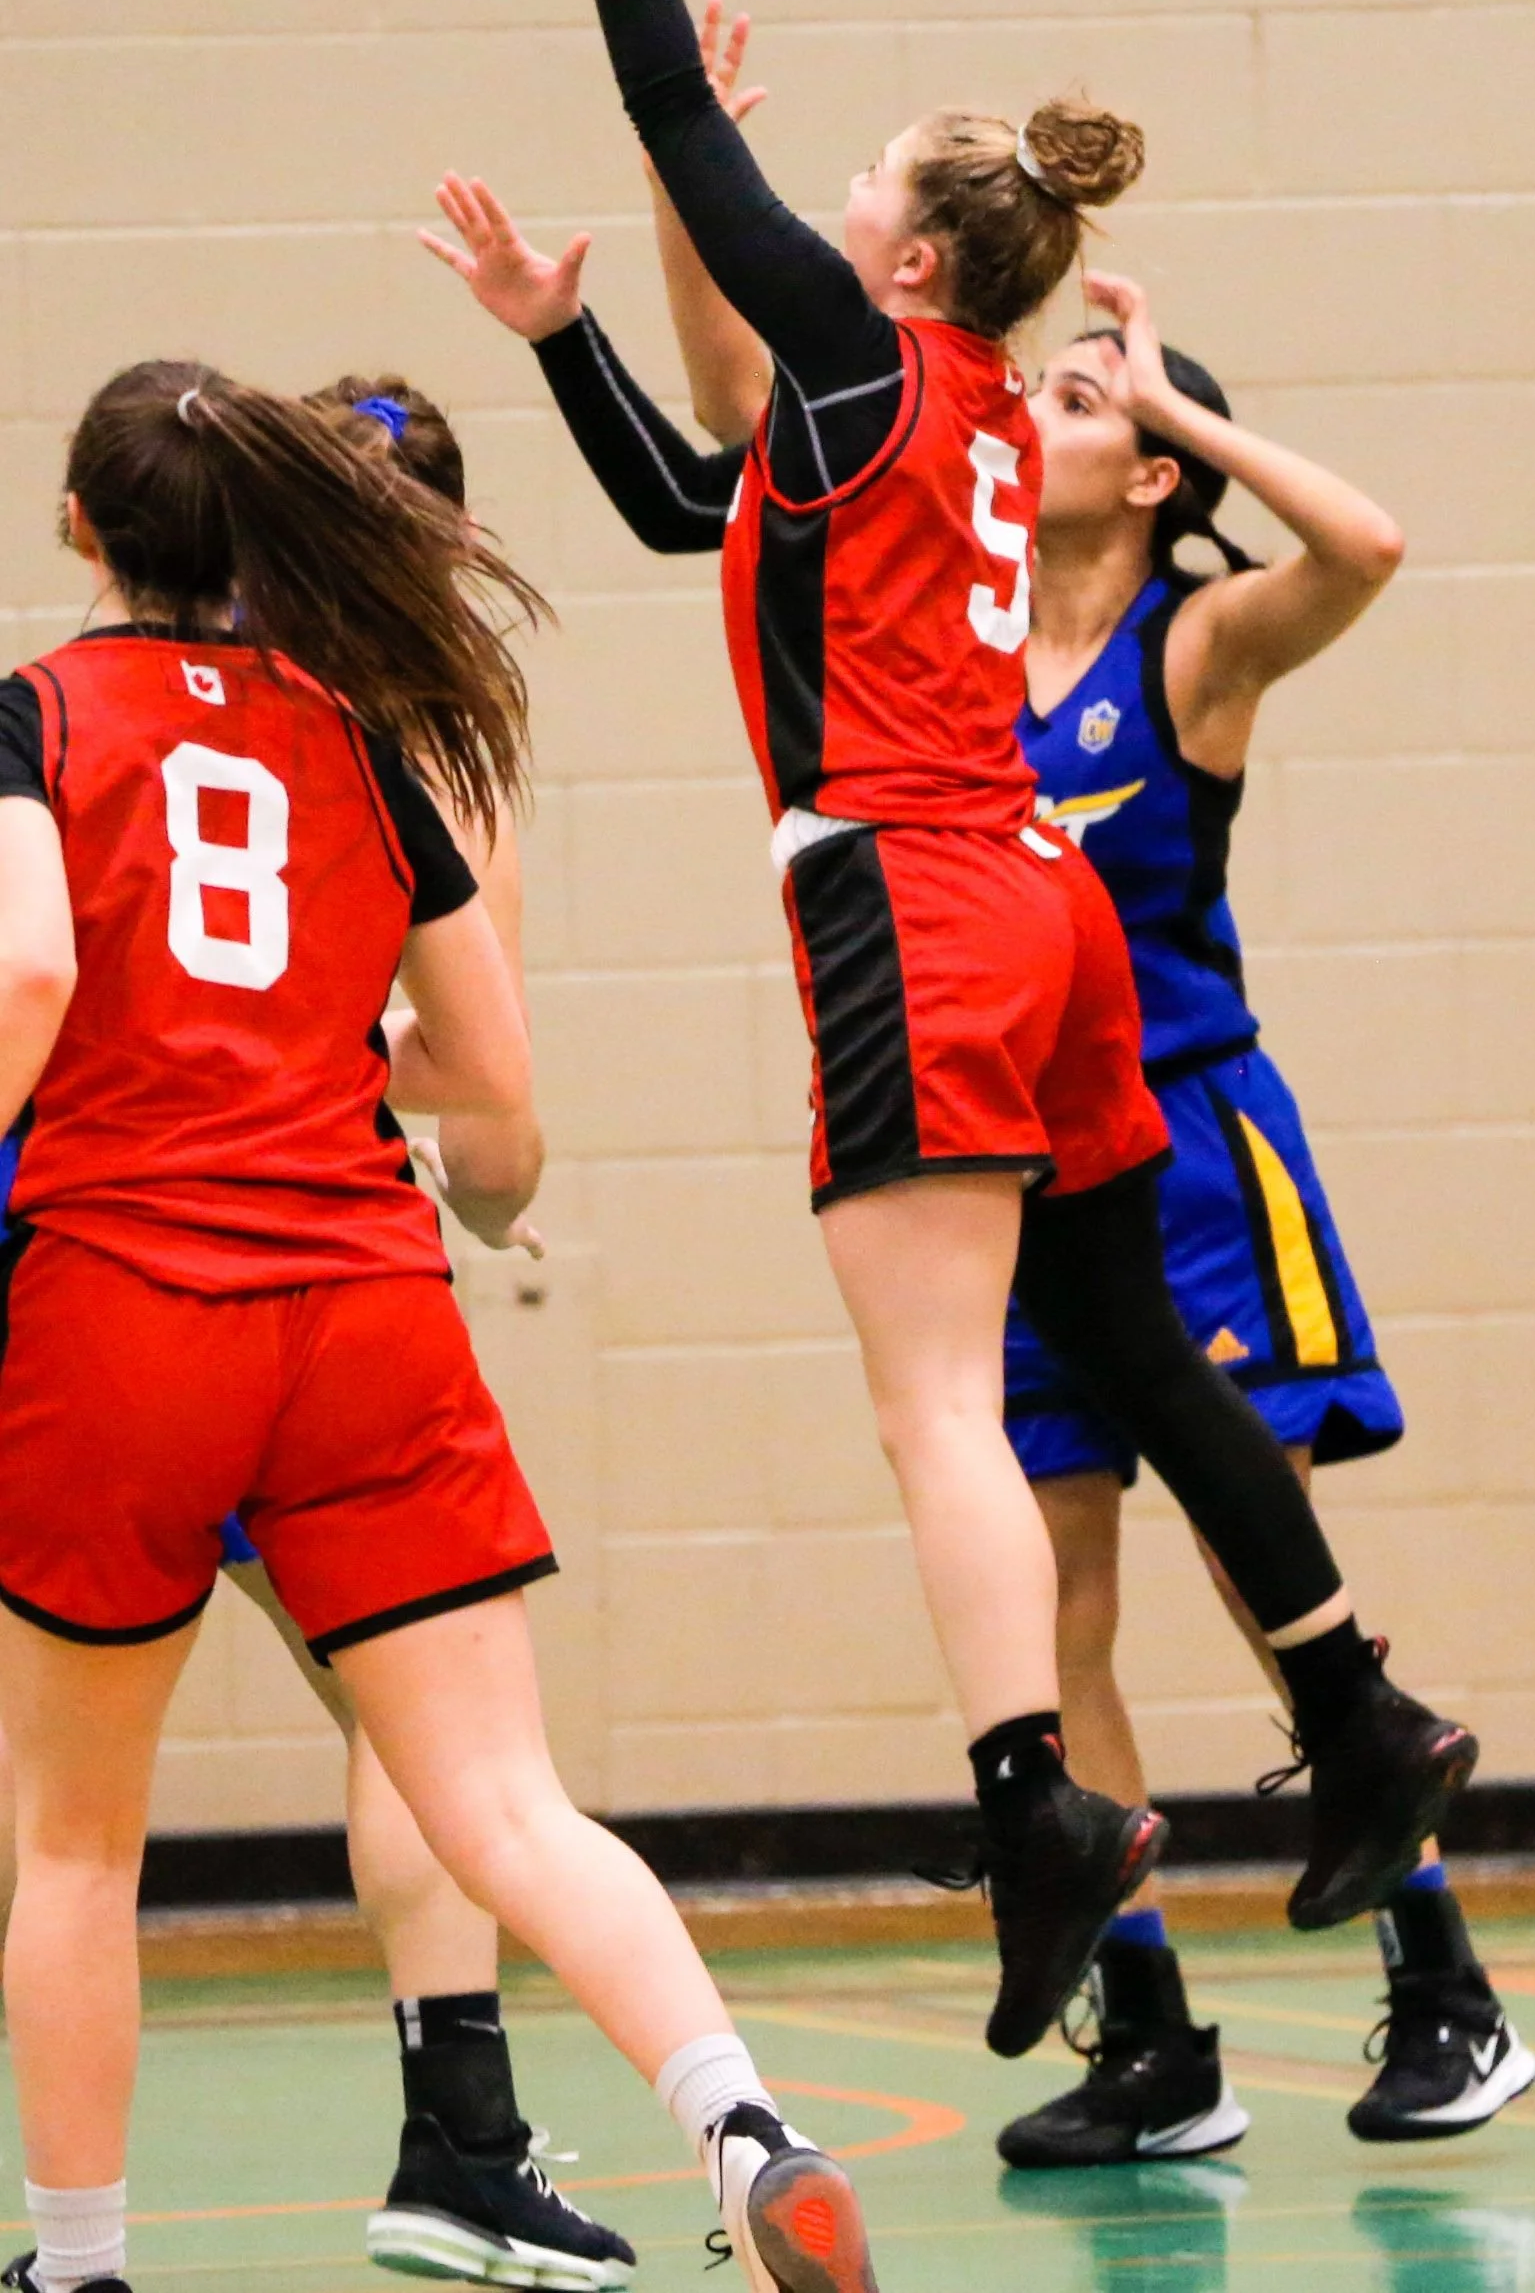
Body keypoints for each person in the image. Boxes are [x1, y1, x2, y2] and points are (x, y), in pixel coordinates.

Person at [420, 0, 1478, 2065]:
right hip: (1047, 904)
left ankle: (1041, 1808)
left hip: (907, 891)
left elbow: (670, 112)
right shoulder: (974, 410)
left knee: (943, 1407)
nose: (833, 212)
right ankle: (1365, 1714)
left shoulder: (873, 363)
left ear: (895, 262)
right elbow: (698, 510)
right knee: (1120, 1345)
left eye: (857, 196)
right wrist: (575, 335)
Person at [0, 359, 878, 2293]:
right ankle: (741, 2119)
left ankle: (76, 2264)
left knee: (73, 1843)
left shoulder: (34, 715)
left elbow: (28, 960)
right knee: (505, 1799)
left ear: (81, 529)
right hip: (368, 1302)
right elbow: (492, 1105)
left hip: (127, 1298)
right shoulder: (370, 738)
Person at [996, 287, 1535, 2164]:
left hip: (1199, 1155)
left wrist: (1178, 406)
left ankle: (1448, 1988)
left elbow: (1369, 543)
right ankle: (1153, 2041)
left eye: (1081, 400)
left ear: (1150, 468)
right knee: (1049, 1597)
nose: (1040, 411)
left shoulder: (1200, 639)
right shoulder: (969, 652)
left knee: (1258, 1573)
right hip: (1020, 1178)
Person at [216, 372, 625, 2291]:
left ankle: (78, 2234)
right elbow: (493, 1124)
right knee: (432, 1721)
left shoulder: (103, 692)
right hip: (291, 1282)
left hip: (65, 1258)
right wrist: (505, 1188)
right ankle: (463, 2130)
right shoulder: (418, 748)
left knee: (65, 1804)